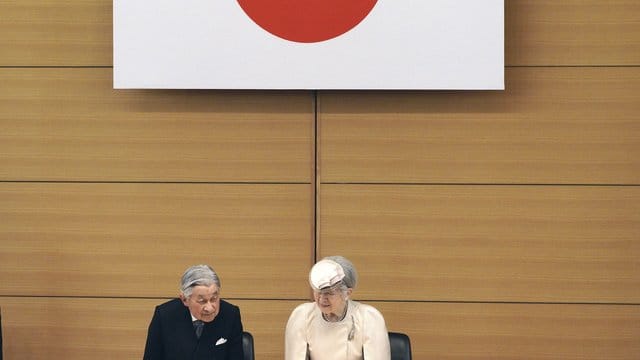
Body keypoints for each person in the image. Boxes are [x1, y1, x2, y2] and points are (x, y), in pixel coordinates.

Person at [285, 256, 391, 360]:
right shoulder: (302, 315)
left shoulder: (369, 317)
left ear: (347, 293)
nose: (321, 299)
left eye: (329, 293)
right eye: (318, 292)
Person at [143, 264, 244, 360]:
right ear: (184, 300)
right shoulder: (165, 316)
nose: (209, 308)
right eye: (202, 301)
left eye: (214, 299)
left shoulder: (230, 314)